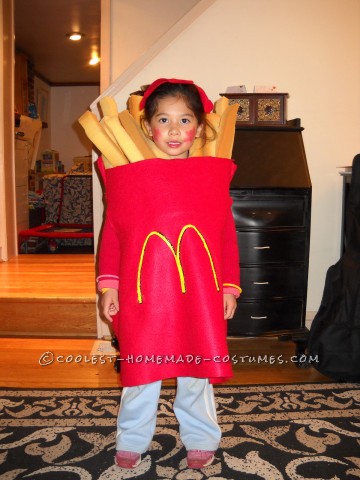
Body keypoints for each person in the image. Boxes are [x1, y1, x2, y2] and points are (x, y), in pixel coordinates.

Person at [96, 78, 241, 470]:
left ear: (200, 128)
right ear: (148, 127)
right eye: (164, 119)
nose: (175, 130)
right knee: (141, 371)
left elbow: (225, 234)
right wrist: (110, 284)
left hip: (199, 290)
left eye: (185, 119)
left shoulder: (210, 176)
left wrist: (229, 286)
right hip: (146, 291)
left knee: (196, 372)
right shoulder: (131, 176)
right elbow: (114, 231)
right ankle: (132, 437)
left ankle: (201, 435)